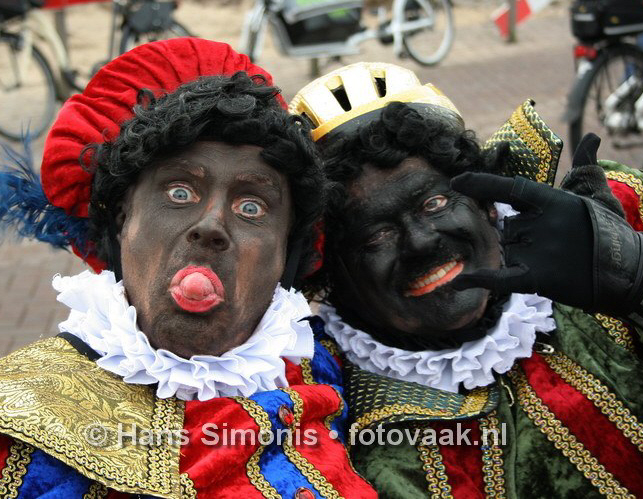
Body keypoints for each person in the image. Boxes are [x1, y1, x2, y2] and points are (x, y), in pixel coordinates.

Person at [289, 61, 643, 497]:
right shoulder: (333, 418)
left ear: (484, 201)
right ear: (333, 275)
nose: (422, 243)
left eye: (435, 202)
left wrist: (640, 273)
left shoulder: (616, 218)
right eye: (376, 235)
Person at [0, 39, 376, 498]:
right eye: (180, 193)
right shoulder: (15, 420)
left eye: (252, 207)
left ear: (285, 254)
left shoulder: (329, 367)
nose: (212, 225)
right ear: (123, 219)